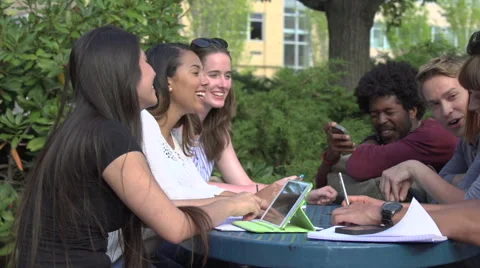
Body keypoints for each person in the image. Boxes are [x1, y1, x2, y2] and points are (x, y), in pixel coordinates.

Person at [12, 26, 265, 268]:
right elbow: (175, 227)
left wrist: (232, 199)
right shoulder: (110, 137)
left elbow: (157, 207)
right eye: (145, 63)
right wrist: (231, 206)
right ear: (125, 73)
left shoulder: (82, 129)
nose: (154, 72)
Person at [189, 37, 338, 205]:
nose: (223, 84)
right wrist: (278, 190)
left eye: (228, 75)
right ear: (193, 77)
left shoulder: (216, 130)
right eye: (214, 75)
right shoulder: (176, 126)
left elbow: (244, 185)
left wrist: (299, 195)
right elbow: (195, 188)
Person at [316, 61, 459, 201]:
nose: (381, 120)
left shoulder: (432, 136)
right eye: (374, 114)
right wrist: (331, 155)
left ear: (412, 111)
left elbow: (358, 165)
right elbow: (323, 189)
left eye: (389, 112)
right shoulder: (391, 141)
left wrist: (369, 142)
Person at [380, 55, 480, 203]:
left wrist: (415, 168)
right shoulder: (466, 141)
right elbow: (437, 192)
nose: (446, 111)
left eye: (452, 96)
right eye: (435, 104)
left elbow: (467, 207)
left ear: (471, 92)